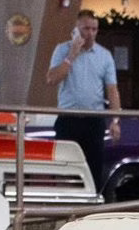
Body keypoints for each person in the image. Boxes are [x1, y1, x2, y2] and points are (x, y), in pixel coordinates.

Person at [44, 13, 121, 189]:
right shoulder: (62, 50)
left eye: (94, 29)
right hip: (68, 119)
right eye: (86, 29)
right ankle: (65, 204)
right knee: (65, 167)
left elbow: (112, 90)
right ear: (76, 30)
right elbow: (51, 79)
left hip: (94, 120)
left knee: (93, 168)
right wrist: (71, 55)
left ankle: (90, 208)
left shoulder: (104, 56)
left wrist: (115, 120)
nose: (90, 33)